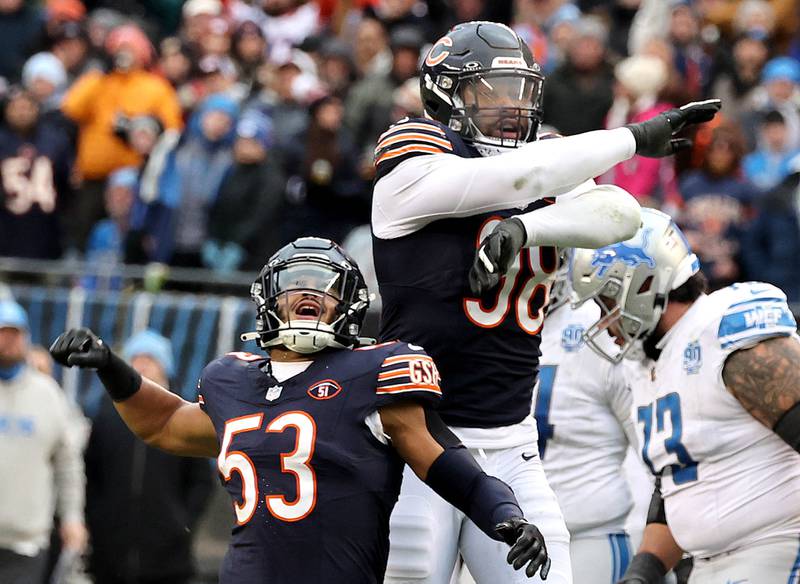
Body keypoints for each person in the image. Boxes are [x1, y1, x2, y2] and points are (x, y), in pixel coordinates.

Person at [371, 20, 719, 584]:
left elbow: (621, 214)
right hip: (418, 439)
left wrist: (525, 231)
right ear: (445, 94)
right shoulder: (415, 151)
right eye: (493, 91)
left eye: (520, 90)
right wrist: (635, 136)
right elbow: (511, 179)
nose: (511, 107)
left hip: (512, 441)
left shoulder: (545, 161)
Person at [50, 237, 551, 584]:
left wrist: (503, 513)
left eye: (326, 286)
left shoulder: (373, 369)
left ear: (349, 305)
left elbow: (443, 460)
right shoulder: (233, 378)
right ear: (268, 299)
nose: (309, 292)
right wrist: (111, 366)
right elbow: (164, 424)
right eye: (295, 283)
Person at [568, 209, 800, 583]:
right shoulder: (649, 361)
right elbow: (679, 481)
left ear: (640, 286)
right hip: (711, 565)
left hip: (776, 549)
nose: (602, 321)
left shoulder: (723, 335)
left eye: (605, 303)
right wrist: (643, 573)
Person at [535, 260, 639, 584]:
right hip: (500, 536)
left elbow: (654, 452)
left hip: (587, 535)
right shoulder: (479, 330)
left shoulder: (600, 328)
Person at [84, 330, 213, 584]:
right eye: (136, 358)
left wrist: (181, 522)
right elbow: (91, 474)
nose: (141, 365)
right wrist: (98, 521)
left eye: (149, 359)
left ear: (165, 366)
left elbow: (201, 480)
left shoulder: (187, 418)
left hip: (167, 559)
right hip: (111, 555)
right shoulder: (108, 417)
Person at [0, 300, 88, 584]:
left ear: (26, 337)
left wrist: (72, 516)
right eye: (2, 332)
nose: (8, 341)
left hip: (26, 542)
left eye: (15, 333)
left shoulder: (48, 395)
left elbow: (67, 464)